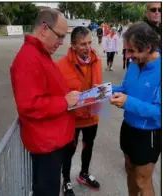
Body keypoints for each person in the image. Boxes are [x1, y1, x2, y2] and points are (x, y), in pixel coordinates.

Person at [10, 8, 80, 196]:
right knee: (46, 191)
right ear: (44, 29)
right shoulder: (28, 59)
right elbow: (29, 106)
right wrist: (65, 102)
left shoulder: (40, 53)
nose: (61, 43)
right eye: (60, 36)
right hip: (45, 145)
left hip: (52, 141)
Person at [110, 22, 161, 196]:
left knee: (142, 180)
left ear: (148, 47)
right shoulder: (133, 63)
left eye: (132, 51)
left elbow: (159, 111)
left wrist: (128, 102)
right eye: (126, 50)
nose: (128, 55)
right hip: (128, 127)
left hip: (149, 133)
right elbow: (125, 88)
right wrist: (105, 90)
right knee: (130, 171)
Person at [57, 26, 102, 196]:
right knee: (69, 151)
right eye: (83, 44)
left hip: (92, 117)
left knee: (88, 147)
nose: (88, 47)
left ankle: (84, 173)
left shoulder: (97, 61)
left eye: (90, 42)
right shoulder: (61, 66)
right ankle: (66, 180)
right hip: (73, 119)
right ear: (73, 45)